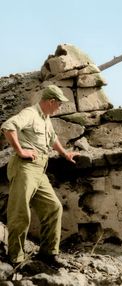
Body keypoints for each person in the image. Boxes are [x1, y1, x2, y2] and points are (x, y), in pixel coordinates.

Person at [0, 84, 79, 268]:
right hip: (25, 168)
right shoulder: (30, 113)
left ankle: (48, 254)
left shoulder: (45, 118)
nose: (60, 107)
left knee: (54, 208)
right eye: (59, 104)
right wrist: (20, 151)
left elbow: (52, 139)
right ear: (51, 101)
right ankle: (16, 259)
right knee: (20, 213)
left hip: (39, 170)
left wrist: (65, 153)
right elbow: (8, 126)